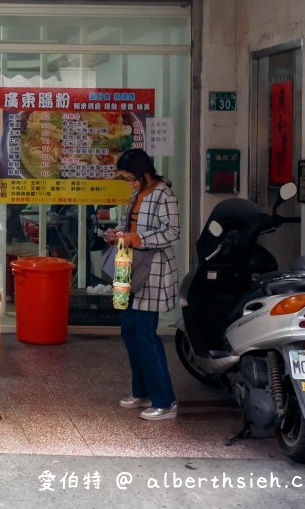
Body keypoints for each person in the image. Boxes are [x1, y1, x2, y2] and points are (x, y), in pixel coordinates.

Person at [103, 148, 180, 421]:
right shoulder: (138, 193)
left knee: (145, 333)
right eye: (126, 179)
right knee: (130, 330)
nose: (130, 183)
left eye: (131, 178)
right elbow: (131, 227)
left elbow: (172, 232)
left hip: (152, 271)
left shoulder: (164, 194)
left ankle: (165, 401)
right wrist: (117, 235)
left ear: (144, 171)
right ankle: (142, 392)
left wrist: (137, 238)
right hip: (129, 266)